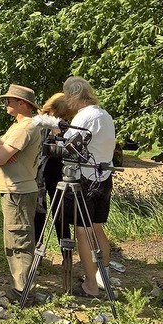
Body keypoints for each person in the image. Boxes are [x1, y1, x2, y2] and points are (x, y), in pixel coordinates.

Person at [63, 76, 117, 298]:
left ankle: (91, 286)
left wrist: (58, 134)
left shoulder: (85, 116)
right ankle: (101, 278)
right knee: (96, 228)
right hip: (104, 175)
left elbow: (68, 144)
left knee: (82, 232)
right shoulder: (105, 115)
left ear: (73, 96)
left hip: (85, 178)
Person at [0, 84, 41, 303]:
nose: (6, 104)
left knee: (19, 239)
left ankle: (22, 291)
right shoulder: (18, 126)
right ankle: (21, 287)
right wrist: (0, 151)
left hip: (18, 190)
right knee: (14, 238)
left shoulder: (25, 128)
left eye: (9, 101)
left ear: (23, 104)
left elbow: (0, 156)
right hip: (15, 189)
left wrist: (1, 153)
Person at [34, 93, 75, 247]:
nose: (62, 120)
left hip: (58, 171)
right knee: (39, 213)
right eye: (60, 116)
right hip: (39, 172)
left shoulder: (65, 125)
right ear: (51, 110)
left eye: (65, 117)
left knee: (60, 213)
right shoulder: (38, 122)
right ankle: (37, 251)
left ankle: (66, 254)